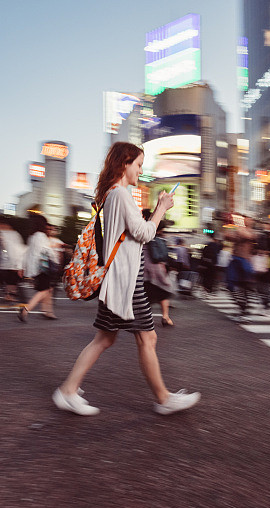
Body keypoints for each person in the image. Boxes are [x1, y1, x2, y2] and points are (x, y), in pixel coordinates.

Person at [53, 142, 200, 416]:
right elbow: (144, 233)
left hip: (121, 281)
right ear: (124, 164)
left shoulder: (112, 194)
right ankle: (164, 399)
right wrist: (162, 208)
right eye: (139, 164)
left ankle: (68, 390)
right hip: (126, 284)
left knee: (107, 339)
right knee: (146, 338)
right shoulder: (120, 194)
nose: (141, 171)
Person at [18, 214, 58, 321]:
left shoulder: (32, 237)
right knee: (44, 291)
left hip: (35, 268)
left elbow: (26, 253)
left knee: (48, 289)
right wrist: (55, 260)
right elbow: (46, 251)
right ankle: (26, 310)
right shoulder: (41, 236)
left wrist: (22, 267)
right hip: (42, 267)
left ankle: (48, 311)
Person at [142, 210, 174, 327]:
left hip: (145, 269)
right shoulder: (156, 236)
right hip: (156, 269)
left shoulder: (144, 231)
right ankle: (165, 316)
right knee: (163, 292)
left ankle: (145, 317)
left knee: (146, 294)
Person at [0, 218, 25, 303]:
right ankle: (9, 295)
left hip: (11, 263)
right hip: (6, 263)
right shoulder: (3, 234)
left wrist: (17, 264)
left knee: (11, 280)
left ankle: (10, 295)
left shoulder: (12, 234)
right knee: (10, 280)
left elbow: (16, 250)